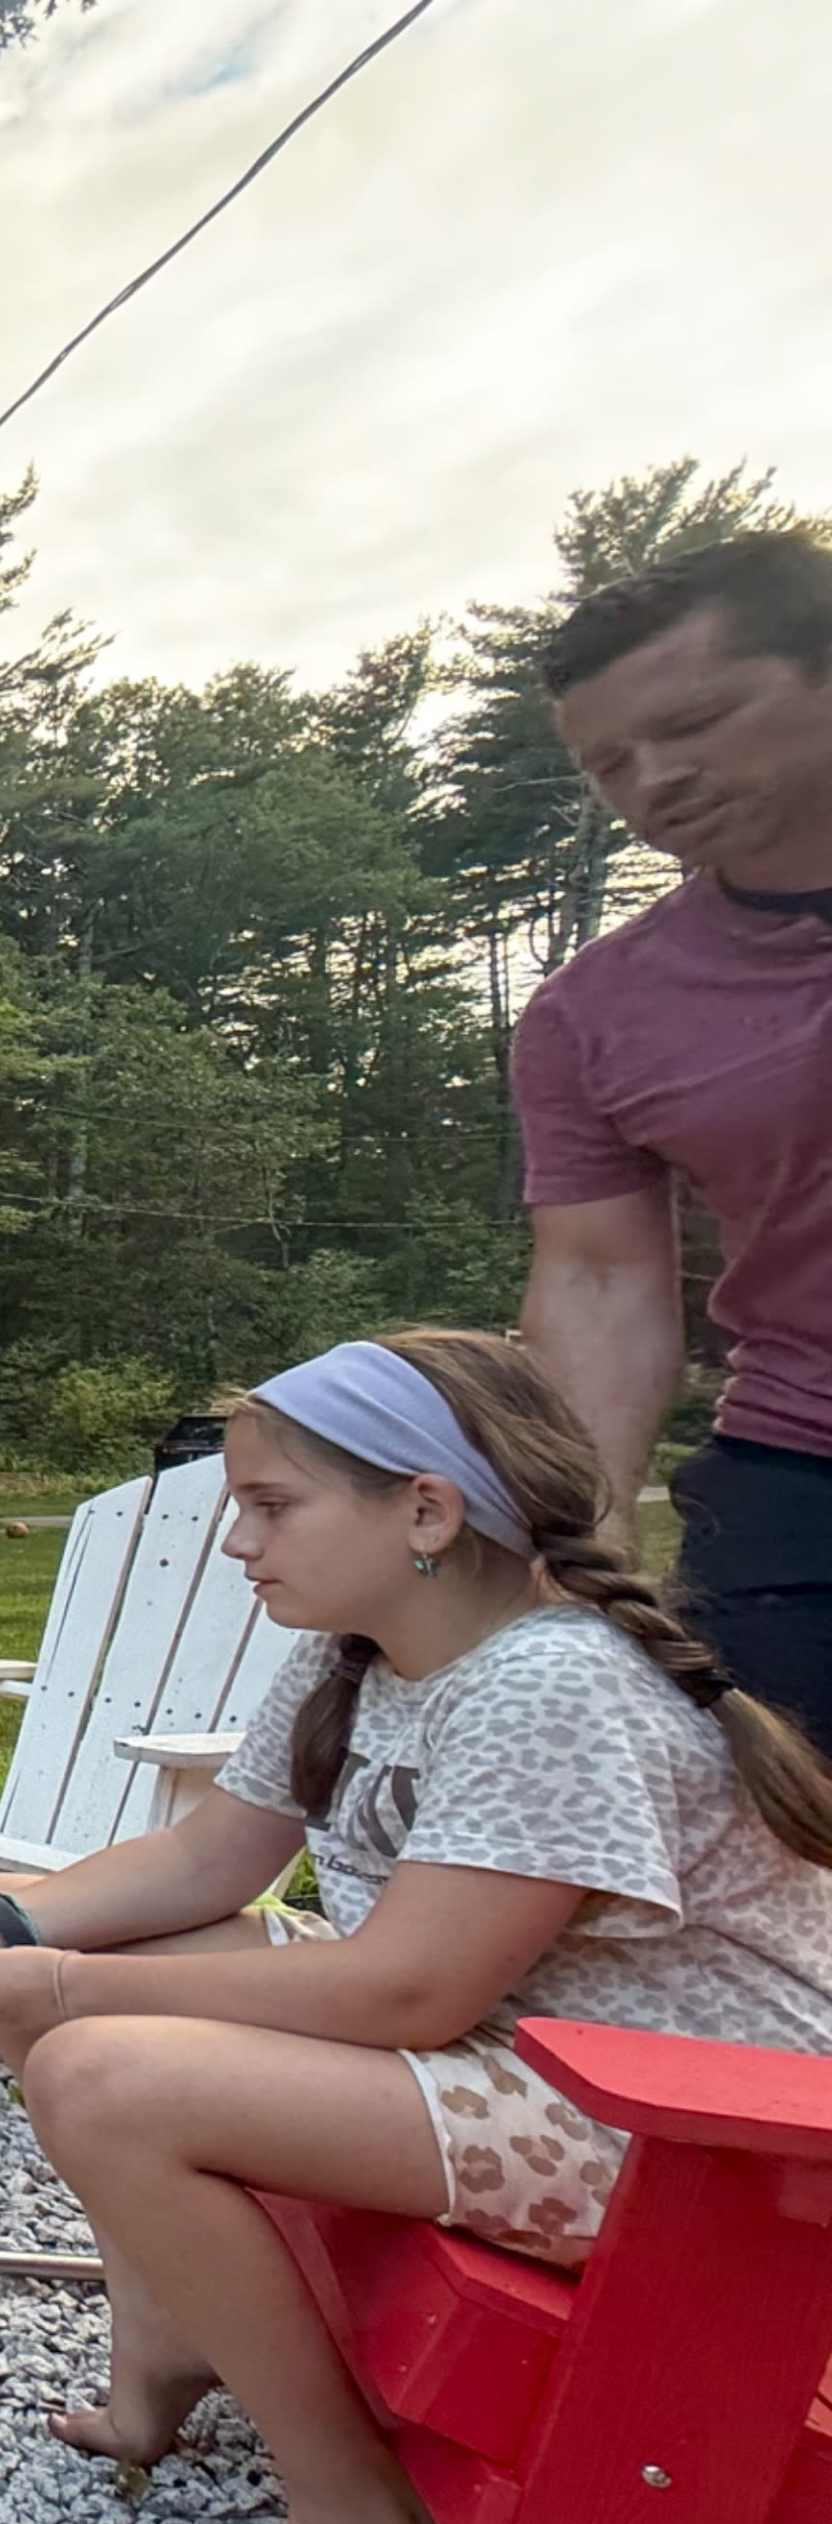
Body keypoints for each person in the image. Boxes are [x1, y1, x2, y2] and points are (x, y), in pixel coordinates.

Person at [0, 1329, 832, 2524]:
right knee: (57, 1928)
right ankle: (171, 2328)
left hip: (711, 2148)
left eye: (271, 1506)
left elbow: (404, 1989)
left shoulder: (550, 1687)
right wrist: (4, 1928)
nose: (237, 1543)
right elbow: (209, 1866)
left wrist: (63, 1985)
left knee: (105, 2073)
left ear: (426, 1511)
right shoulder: (353, 1660)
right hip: (533, 2063)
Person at [517, 528, 832, 1747]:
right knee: (778, 1863)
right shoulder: (596, 1015)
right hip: (800, 1475)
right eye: (610, 763)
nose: (656, 778)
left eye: (696, 720)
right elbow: (599, 1284)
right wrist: (572, 1552)